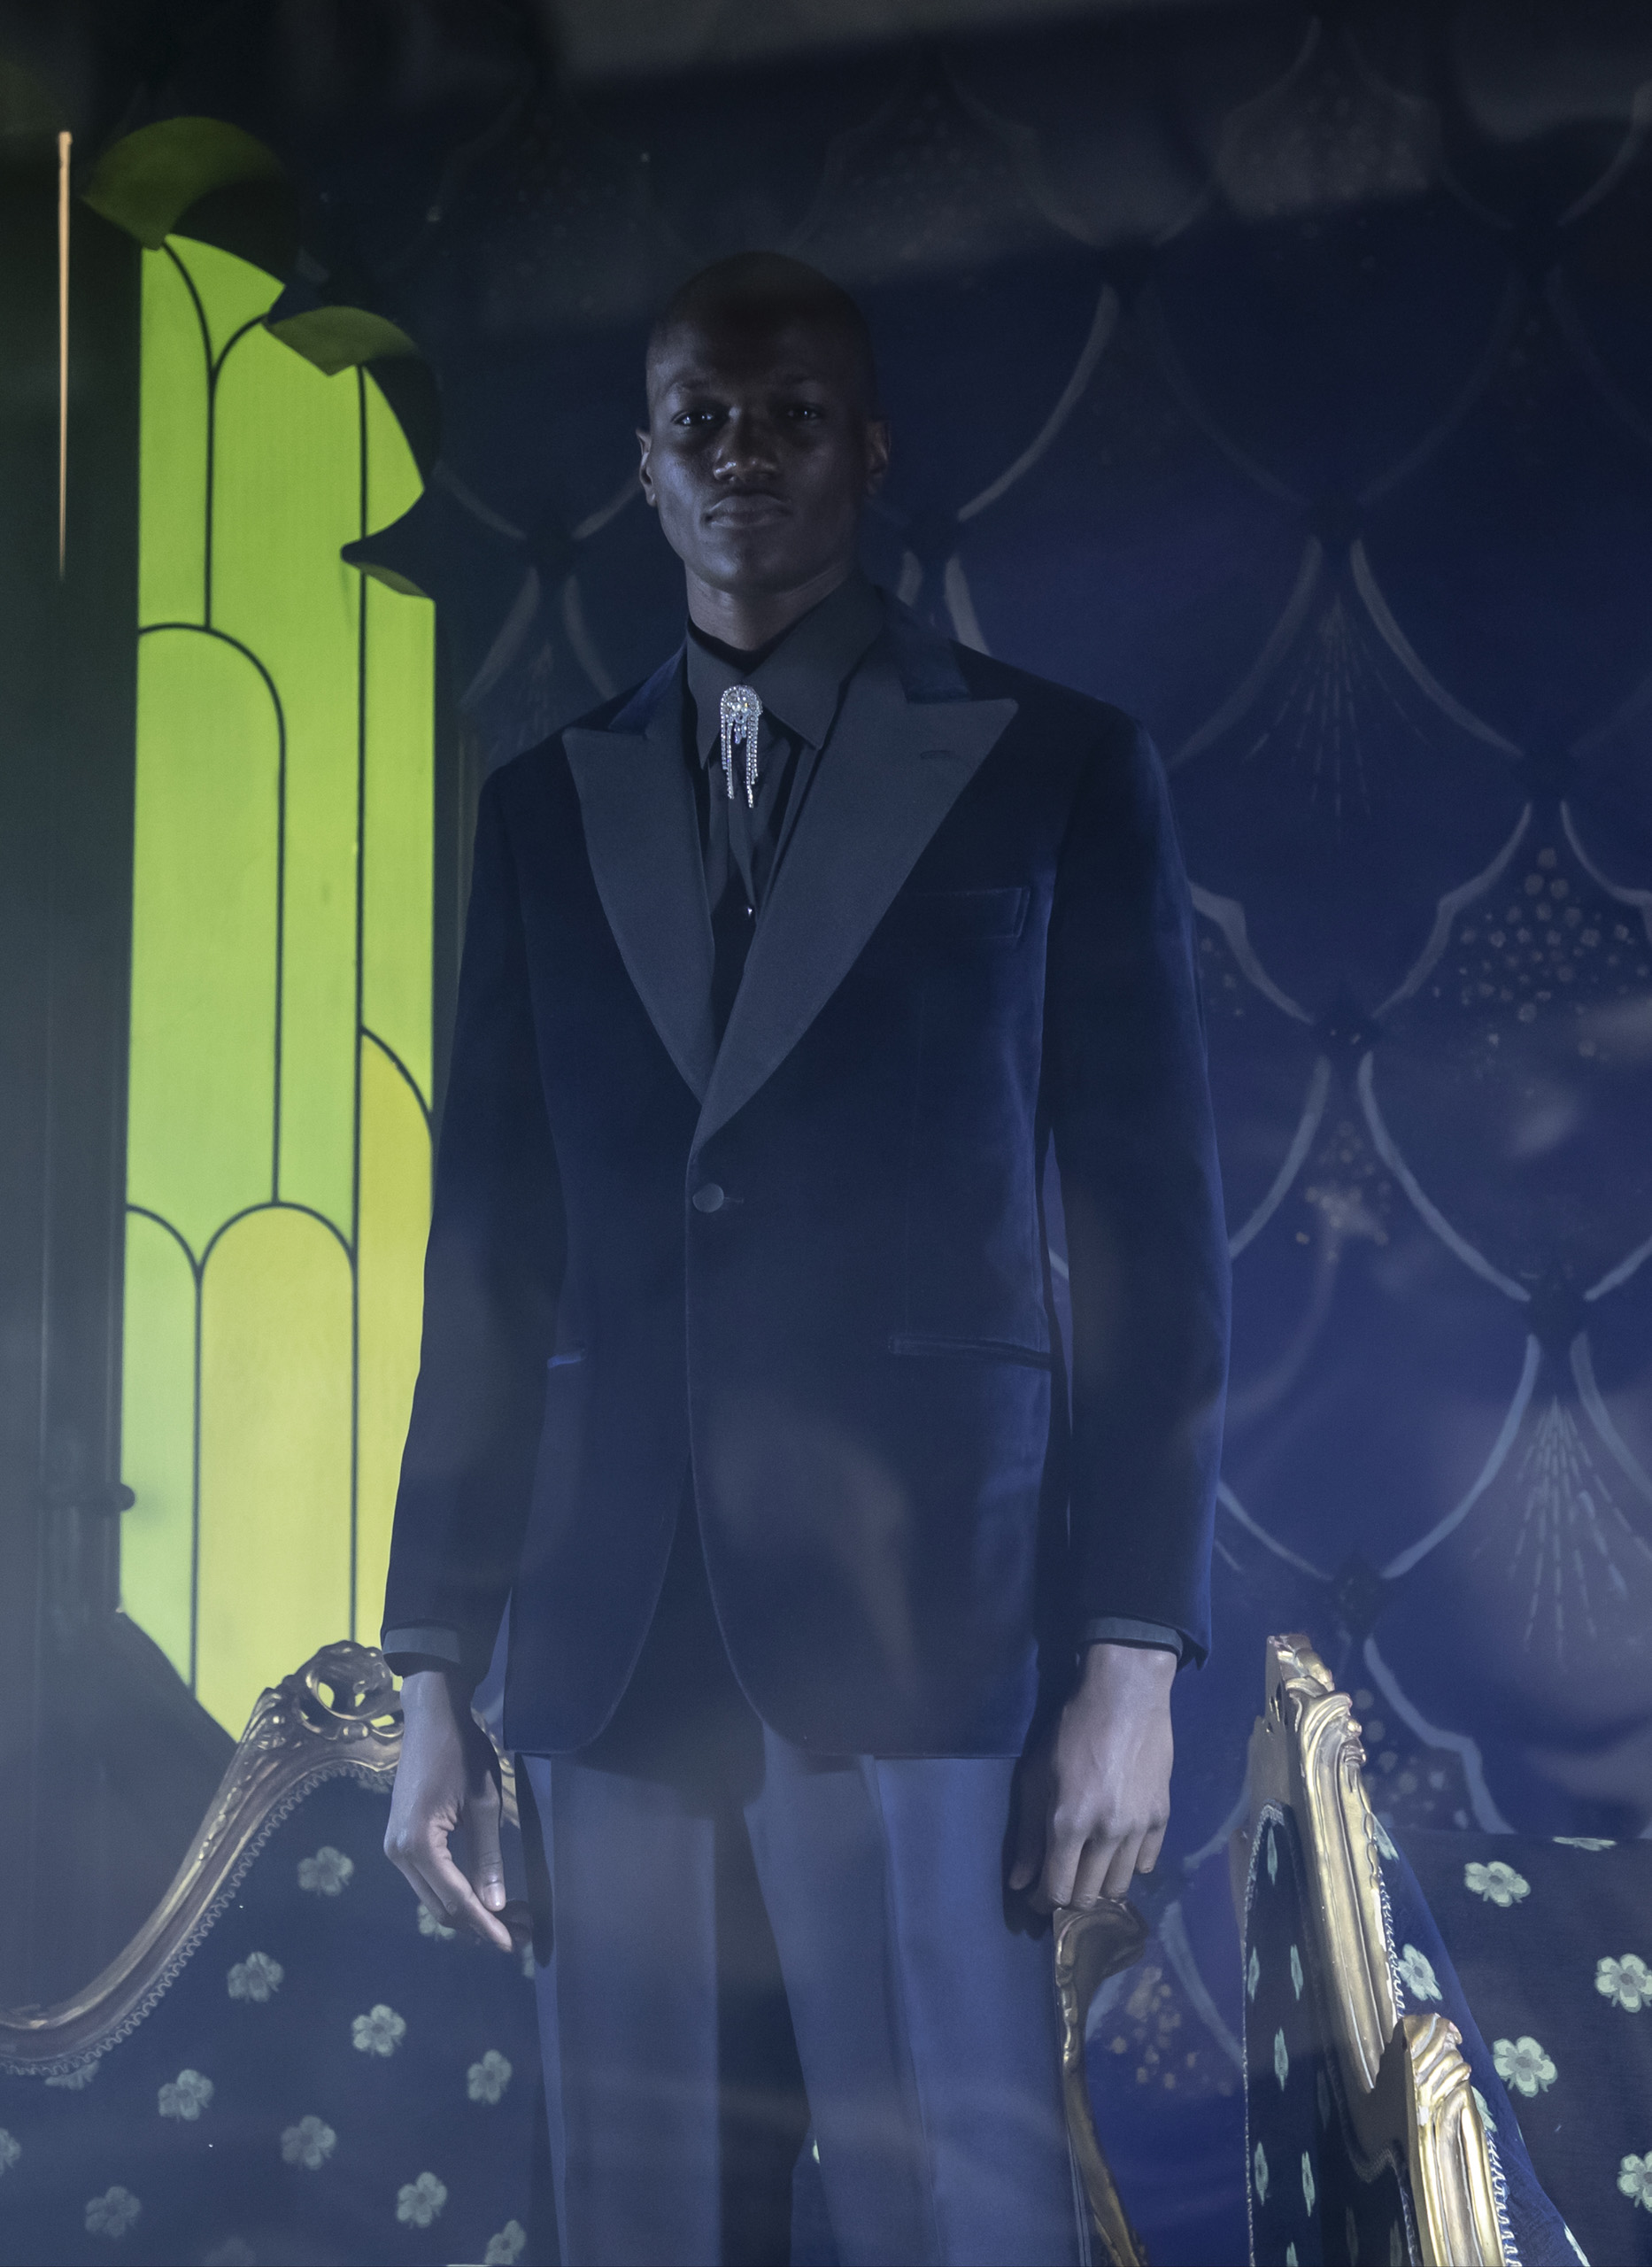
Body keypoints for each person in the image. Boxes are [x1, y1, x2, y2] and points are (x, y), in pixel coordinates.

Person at [381, 251, 1229, 2267]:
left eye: (788, 418)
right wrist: (432, 1673)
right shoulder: (545, 806)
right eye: (702, 422)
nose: (742, 455)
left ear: (867, 452)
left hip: (926, 1638)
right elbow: (488, 1264)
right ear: (646, 471)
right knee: (642, 2232)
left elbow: (1153, 1246)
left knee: (960, 2221)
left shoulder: (1051, 769)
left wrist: (1130, 1659)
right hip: (608, 1647)